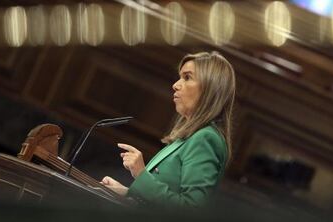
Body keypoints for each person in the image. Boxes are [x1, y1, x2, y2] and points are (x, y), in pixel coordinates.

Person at [101, 51, 236, 207]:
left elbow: (189, 211)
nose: (175, 85)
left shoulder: (206, 139)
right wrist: (124, 192)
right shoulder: (191, 136)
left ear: (209, 89)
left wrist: (140, 174)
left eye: (187, 77)